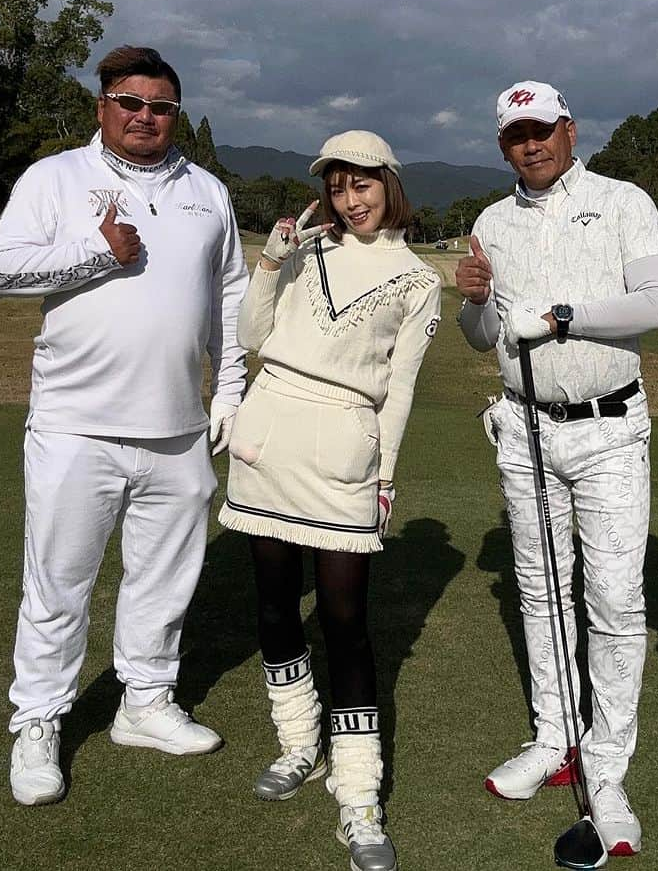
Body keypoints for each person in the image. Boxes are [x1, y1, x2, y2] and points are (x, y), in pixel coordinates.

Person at [0, 45, 248, 806]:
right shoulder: (56, 177)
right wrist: (95, 252)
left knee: (164, 582)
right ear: (103, 106)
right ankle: (38, 723)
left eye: (159, 106)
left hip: (178, 428)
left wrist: (228, 391)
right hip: (75, 424)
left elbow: (229, 298)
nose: (144, 117)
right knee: (58, 585)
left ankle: (146, 703)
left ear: (175, 113)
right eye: (129, 102)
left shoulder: (207, 192)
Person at [455, 81, 658, 860]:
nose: (531, 145)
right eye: (517, 135)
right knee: (542, 593)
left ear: (570, 131)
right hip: (525, 429)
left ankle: (606, 770)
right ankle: (556, 738)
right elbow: (483, 337)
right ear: (503, 145)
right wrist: (474, 301)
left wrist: (559, 318)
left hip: (609, 427)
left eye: (543, 130)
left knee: (614, 599)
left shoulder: (624, 200)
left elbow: (654, 303)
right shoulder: (489, 220)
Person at [219, 130, 441, 871]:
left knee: (346, 623)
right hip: (269, 430)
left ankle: (358, 797)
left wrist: (385, 477)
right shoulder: (305, 252)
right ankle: (296, 743)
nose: (352, 199)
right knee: (277, 605)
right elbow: (251, 336)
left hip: (345, 447)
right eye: (339, 186)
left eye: (363, 183)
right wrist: (272, 260)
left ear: (390, 184)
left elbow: (401, 388)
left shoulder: (416, 280)